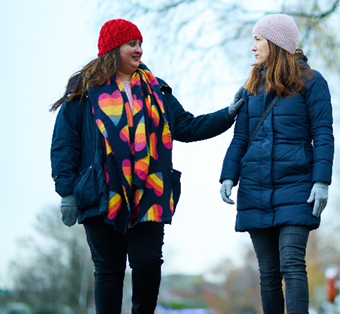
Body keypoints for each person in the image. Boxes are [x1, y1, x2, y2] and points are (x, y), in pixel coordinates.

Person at [50, 18, 244, 314]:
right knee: (109, 270)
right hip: (102, 193)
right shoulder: (84, 93)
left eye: (140, 43)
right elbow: (65, 144)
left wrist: (228, 114)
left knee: (149, 262)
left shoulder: (157, 89)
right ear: (113, 49)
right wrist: (66, 193)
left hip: (149, 193)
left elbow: (187, 127)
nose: (139, 49)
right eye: (132, 44)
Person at [219, 14, 334, 314]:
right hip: (255, 189)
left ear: (276, 41)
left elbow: (323, 133)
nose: (253, 47)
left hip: (296, 187)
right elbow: (240, 138)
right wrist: (228, 175)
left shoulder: (312, 82)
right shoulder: (250, 87)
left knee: (292, 264)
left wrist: (321, 182)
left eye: (258, 39)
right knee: (269, 274)